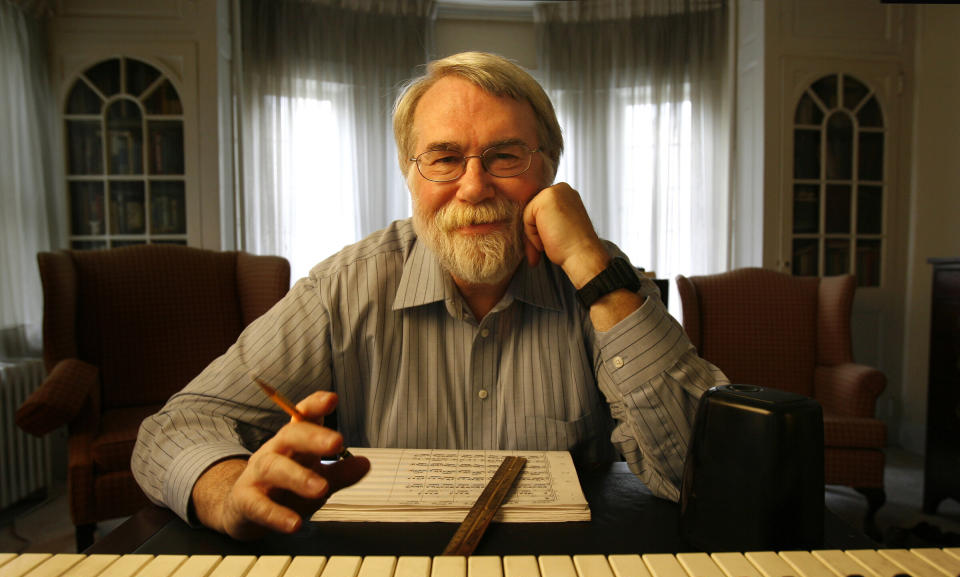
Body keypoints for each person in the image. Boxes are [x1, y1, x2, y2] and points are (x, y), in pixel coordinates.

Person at [132, 51, 727, 541]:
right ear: (410, 173)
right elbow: (175, 427)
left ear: (549, 171)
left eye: (505, 156)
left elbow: (707, 475)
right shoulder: (344, 289)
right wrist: (225, 489)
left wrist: (592, 266)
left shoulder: (604, 280)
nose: (474, 186)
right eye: (444, 158)